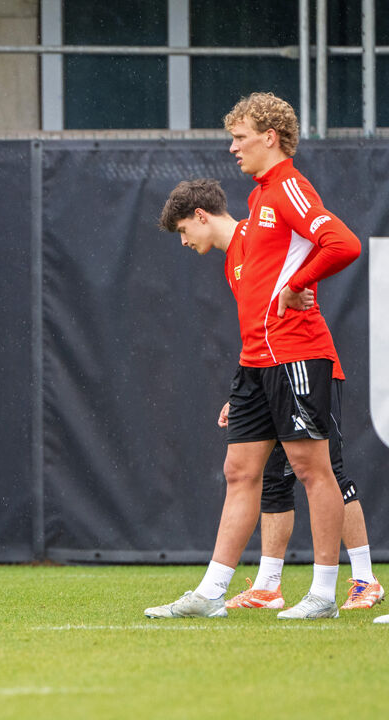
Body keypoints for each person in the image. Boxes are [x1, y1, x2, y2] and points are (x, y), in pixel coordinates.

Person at [145, 93, 361, 620]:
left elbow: (344, 243)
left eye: (240, 137)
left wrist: (298, 284)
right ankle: (212, 593)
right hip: (258, 365)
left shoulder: (286, 184)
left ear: (270, 136)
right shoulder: (260, 202)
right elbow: (263, 299)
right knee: (239, 470)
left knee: (314, 470)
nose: (232, 146)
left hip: (296, 357)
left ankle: (323, 595)